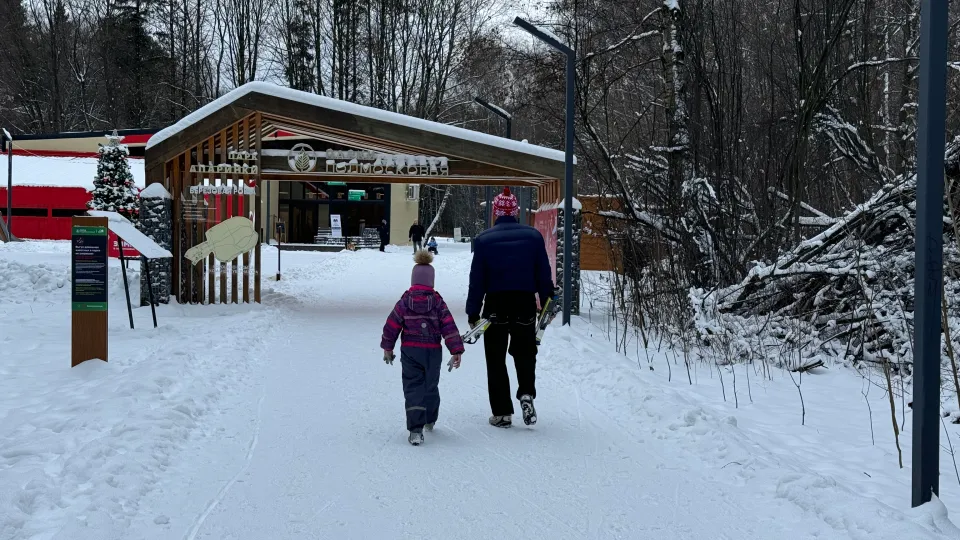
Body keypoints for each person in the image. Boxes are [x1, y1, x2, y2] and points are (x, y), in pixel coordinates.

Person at [466, 187, 555, 429]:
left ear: (496, 213)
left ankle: (502, 412)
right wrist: (547, 302)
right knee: (525, 353)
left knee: (495, 359)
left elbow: (477, 281)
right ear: (516, 213)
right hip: (524, 303)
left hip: (495, 306)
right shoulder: (534, 237)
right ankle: (526, 393)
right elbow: (543, 275)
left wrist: (473, 313)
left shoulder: (484, 240)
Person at [381, 250, 465, 446]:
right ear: (431, 281)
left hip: (410, 351)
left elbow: (391, 325)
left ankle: (415, 430)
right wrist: (456, 350)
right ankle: (430, 418)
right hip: (432, 351)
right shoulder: (438, 302)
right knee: (430, 385)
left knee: (413, 387)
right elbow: (449, 326)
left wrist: (388, 347)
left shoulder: (404, 302)